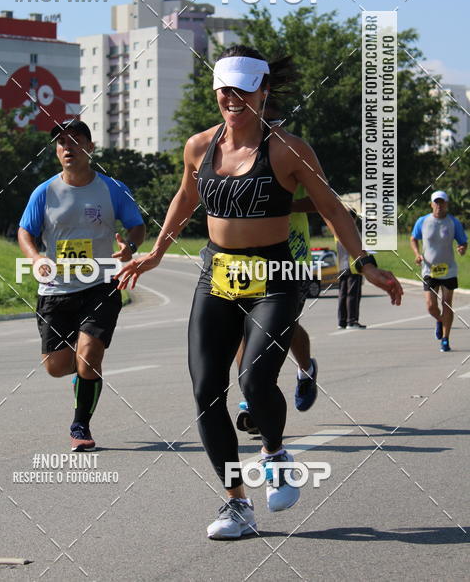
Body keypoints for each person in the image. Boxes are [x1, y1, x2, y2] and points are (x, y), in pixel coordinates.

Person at [116, 45, 403, 539]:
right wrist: (157, 252)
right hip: (217, 275)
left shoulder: (288, 149)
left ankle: (274, 452)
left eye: (243, 90)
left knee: (253, 379)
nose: (233, 99)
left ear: (263, 91)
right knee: (206, 390)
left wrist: (365, 263)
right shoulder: (199, 146)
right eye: (225, 90)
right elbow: (185, 197)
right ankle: (237, 503)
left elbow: (332, 208)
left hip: (276, 276)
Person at [18, 119, 145, 450]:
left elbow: (137, 226)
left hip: (100, 284)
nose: (67, 147)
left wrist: (130, 247)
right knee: (56, 366)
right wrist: (35, 258)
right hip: (56, 290)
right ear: (56, 151)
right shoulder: (44, 192)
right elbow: (25, 232)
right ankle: (84, 372)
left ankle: (80, 425)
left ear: (90, 147)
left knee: (89, 356)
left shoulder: (112, 189)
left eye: (75, 140)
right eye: (61, 142)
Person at [236, 184, 319, 436]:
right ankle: (253, 397)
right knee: (244, 327)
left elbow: (323, 201)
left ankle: (306, 370)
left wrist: (285, 205)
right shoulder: (232, 164)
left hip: (293, 260)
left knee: (284, 326)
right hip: (246, 262)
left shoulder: (296, 161)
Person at [410, 190, 467, 352]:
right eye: (436, 202)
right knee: (430, 306)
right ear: (431, 204)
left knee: (447, 304)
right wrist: (417, 254)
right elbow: (413, 238)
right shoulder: (423, 221)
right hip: (429, 270)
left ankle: (445, 339)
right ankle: (440, 320)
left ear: (446, 204)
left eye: (442, 202)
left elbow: (463, 241)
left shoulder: (453, 222)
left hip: (448, 270)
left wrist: (462, 248)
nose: (439, 205)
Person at [336, 210, 365, 329]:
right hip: (353, 266)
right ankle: (352, 321)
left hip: (341, 265)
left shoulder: (337, 229)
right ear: (354, 218)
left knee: (342, 294)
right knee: (353, 294)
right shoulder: (352, 230)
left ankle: (342, 321)